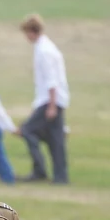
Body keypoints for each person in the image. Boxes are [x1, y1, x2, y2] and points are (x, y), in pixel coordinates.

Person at [19, 14, 70, 185]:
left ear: (31, 31)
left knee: (27, 130)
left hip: (50, 100)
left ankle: (39, 170)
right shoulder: (47, 47)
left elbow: (51, 80)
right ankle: (60, 177)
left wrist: (52, 105)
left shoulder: (44, 50)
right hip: (54, 100)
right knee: (55, 139)